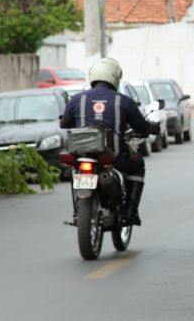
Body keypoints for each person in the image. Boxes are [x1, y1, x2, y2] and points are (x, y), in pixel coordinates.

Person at [60, 58, 160, 226]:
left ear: (93, 75)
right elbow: (140, 126)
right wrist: (151, 129)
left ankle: (77, 211)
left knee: (72, 169)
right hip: (113, 158)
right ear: (115, 77)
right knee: (138, 164)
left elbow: (64, 123)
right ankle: (131, 211)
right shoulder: (124, 101)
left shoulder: (77, 99)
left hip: (81, 156)